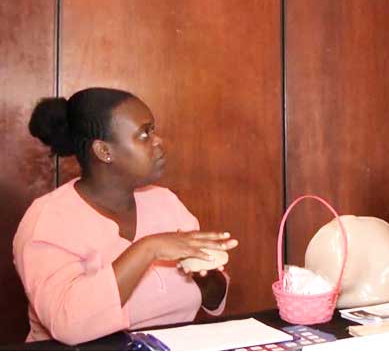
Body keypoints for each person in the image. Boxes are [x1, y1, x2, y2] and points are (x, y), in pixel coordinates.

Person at [13, 87, 238, 344]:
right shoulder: (47, 220)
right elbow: (67, 324)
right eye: (144, 133)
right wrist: (149, 249)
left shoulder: (166, 202)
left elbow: (213, 300)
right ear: (104, 151)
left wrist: (203, 270)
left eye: (153, 130)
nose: (158, 142)